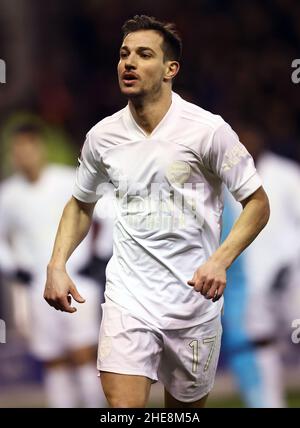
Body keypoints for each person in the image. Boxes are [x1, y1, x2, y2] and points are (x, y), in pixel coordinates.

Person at [44, 15, 270, 408]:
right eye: (123, 54)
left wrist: (220, 261)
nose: (128, 63)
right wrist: (57, 263)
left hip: (193, 305)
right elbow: (81, 203)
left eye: (143, 54)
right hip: (128, 300)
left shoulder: (208, 130)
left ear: (170, 70)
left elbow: (258, 202)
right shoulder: (103, 137)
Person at [0, 123, 107, 407]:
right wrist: (14, 268)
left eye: (29, 148)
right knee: (54, 360)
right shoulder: (8, 195)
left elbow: (109, 213)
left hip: (77, 280)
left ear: (40, 148)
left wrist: (98, 257)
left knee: (84, 353)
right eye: (18, 150)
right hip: (38, 287)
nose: (24, 155)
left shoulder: (67, 180)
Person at [222, 124, 300, 407]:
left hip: (292, 276)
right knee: (259, 344)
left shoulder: (285, 174)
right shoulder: (228, 183)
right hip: (252, 282)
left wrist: (292, 262)